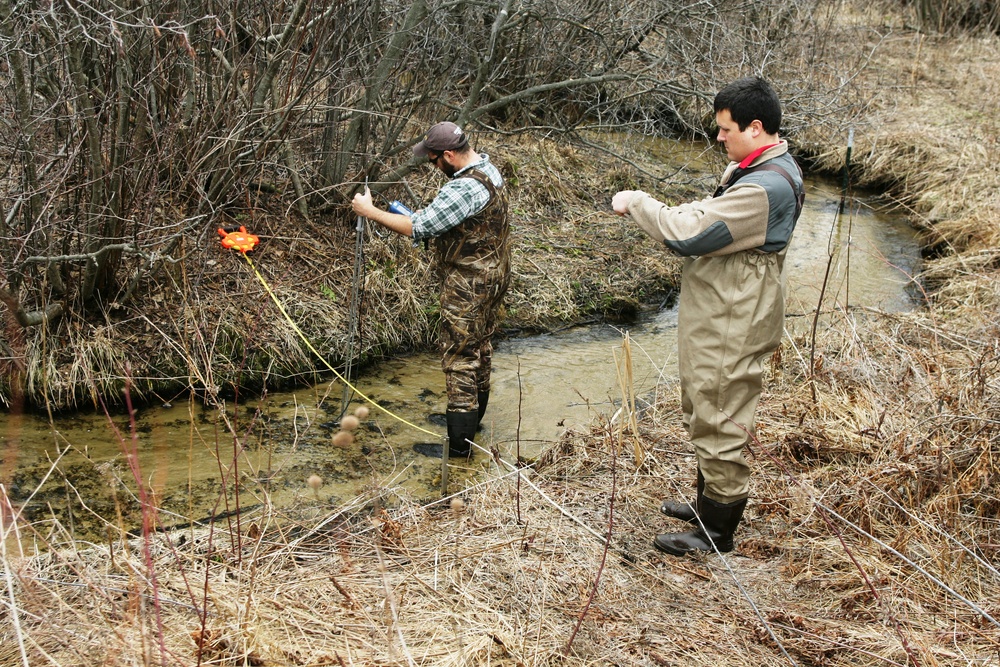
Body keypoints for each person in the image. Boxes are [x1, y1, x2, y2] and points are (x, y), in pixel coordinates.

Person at [611, 77, 804, 556]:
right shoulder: (761, 165)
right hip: (727, 309)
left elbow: (689, 234)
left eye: (724, 129)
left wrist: (637, 201)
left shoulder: (766, 186)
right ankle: (707, 504)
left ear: (755, 127)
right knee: (705, 403)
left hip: (734, 316)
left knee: (719, 413)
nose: (718, 138)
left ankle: (715, 533)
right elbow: (712, 213)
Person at [351, 121, 511, 458]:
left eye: (433, 160)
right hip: (495, 277)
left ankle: (458, 450)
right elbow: (459, 221)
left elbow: (417, 227)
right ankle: (471, 426)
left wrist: (369, 211)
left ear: (449, 155)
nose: (432, 165)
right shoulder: (488, 169)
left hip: (469, 285)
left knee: (459, 358)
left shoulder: (462, 188)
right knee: (480, 347)